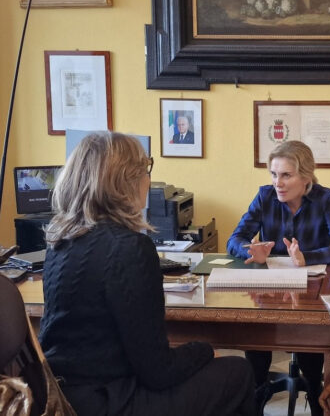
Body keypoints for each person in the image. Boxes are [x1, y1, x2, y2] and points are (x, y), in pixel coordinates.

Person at [39, 131, 255, 416]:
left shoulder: (59, 242)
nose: (149, 179)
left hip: (60, 396)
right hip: (111, 401)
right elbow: (158, 372)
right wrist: (205, 349)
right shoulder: (130, 248)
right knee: (238, 371)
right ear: (126, 182)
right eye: (146, 169)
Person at [227, 140, 330, 416]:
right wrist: (251, 250)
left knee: (311, 356)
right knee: (256, 346)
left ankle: (314, 394)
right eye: (274, 174)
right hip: (268, 293)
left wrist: (306, 257)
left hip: (310, 296)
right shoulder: (265, 197)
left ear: (306, 177)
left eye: (286, 175)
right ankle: (257, 397)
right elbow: (234, 238)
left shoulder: (325, 199)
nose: (278, 183)